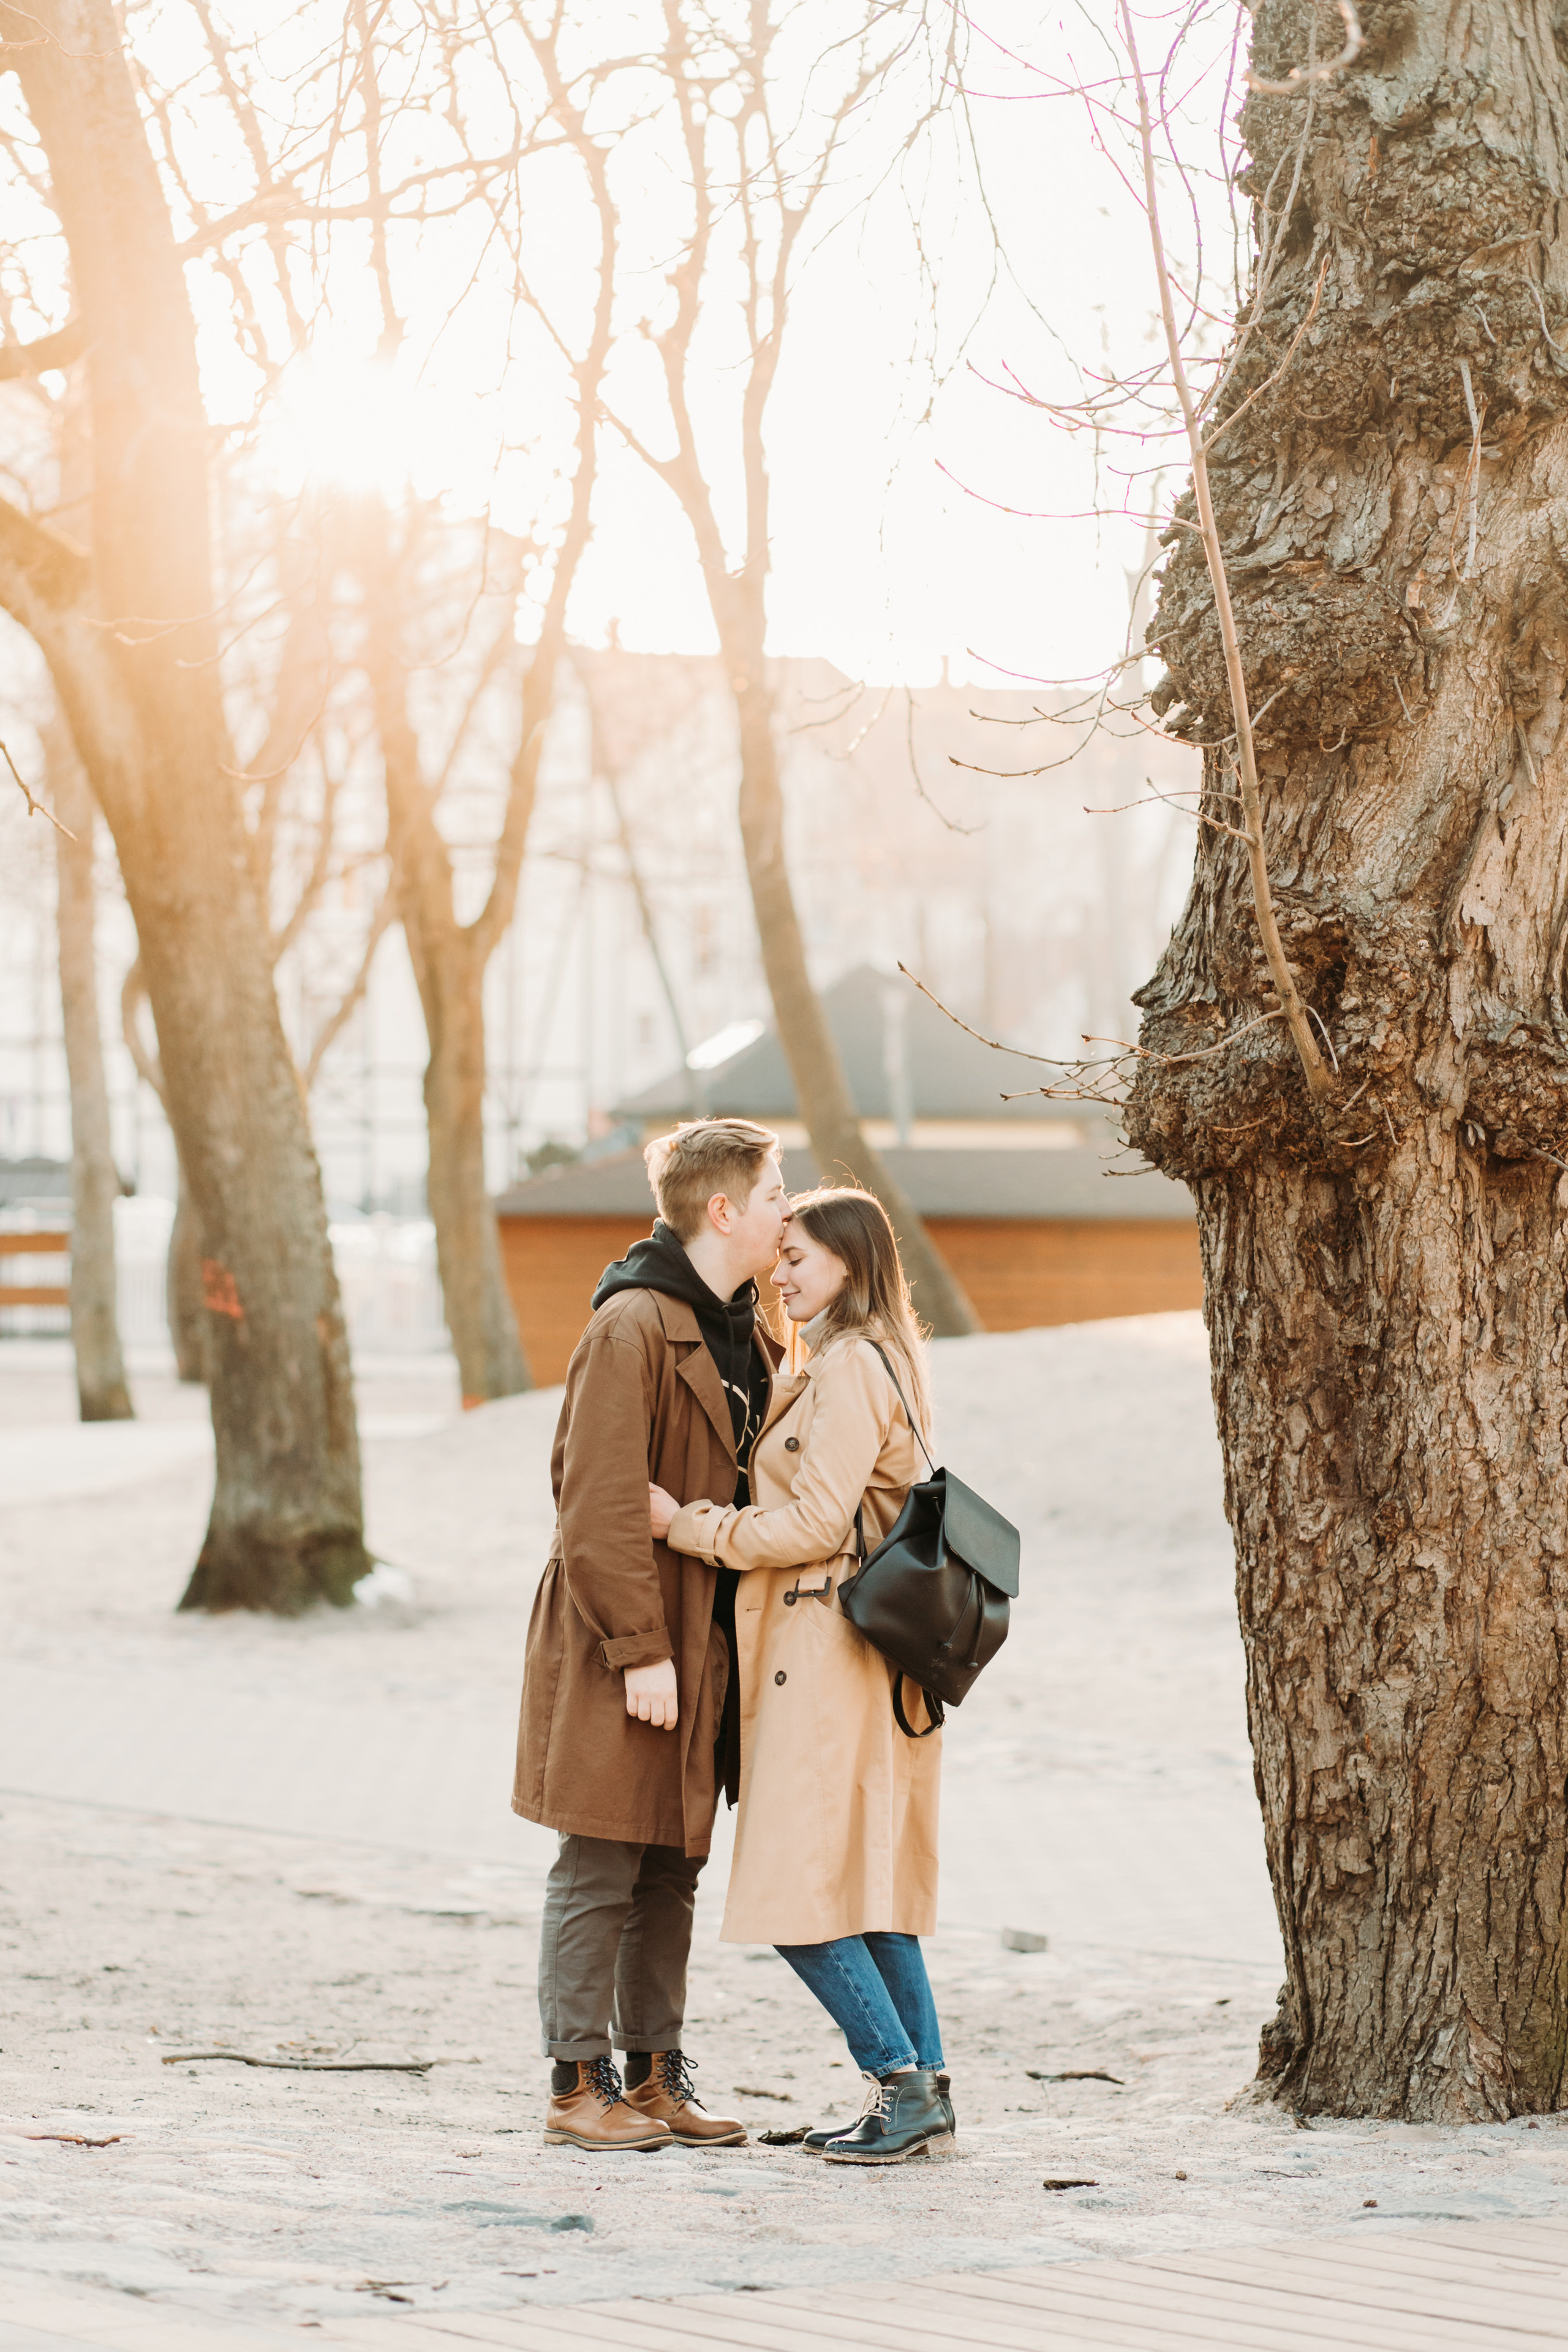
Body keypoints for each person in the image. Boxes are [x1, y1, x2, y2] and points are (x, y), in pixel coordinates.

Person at [650, 1186, 952, 2166]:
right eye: (778, 1257)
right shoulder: (870, 1358)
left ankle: (899, 2086)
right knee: (868, 1891)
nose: (779, 1275)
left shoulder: (856, 1367)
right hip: (851, 1658)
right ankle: (926, 2095)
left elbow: (817, 1523)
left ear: (853, 1267)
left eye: (800, 1260)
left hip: (822, 1656)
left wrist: (687, 1526)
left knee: (792, 1890)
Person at [512, 1118, 790, 2152]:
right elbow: (593, 1503)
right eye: (773, 1195)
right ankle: (575, 2088)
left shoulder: (746, 1328)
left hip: (706, 1640)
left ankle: (652, 2076)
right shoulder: (631, 1324)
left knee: (672, 1862)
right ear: (723, 1210)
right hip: (623, 1636)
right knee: (601, 1860)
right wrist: (641, 1651)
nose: (784, 1212)